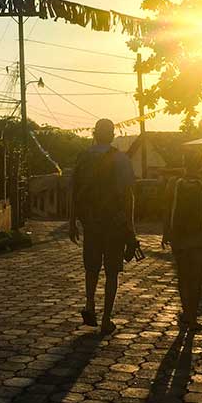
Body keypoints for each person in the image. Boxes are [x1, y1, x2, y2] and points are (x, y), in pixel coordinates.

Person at [69, 118, 136, 335]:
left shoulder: (83, 158)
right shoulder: (121, 159)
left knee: (91, 268)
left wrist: (72, 222)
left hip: (90, 221)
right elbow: (128, 196)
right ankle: (107, 318)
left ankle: (90, 305)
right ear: (113, 134)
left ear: (95, 134)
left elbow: (74, 192)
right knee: (112, 271)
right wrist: (130, 228)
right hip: (115, 222)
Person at [162, 151, 202, 333]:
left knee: (183, 277)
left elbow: (166, 209)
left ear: (184, 162)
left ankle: (186, 313)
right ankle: (193, 317)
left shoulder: (173, 184)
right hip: (200, 238)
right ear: (201, 164)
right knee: (196, 279)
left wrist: (166, 232)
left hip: (179, 237)